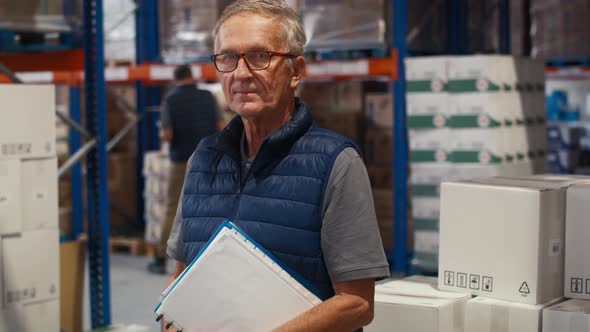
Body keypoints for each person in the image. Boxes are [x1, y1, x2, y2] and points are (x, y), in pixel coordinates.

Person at [164, 0, 390, 330]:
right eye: (227, 57)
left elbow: (357, 303)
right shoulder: (202, 160)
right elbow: (182, 276)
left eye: (259, 56)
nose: (241, 73)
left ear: (296, 70)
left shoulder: (335, 163)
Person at [147, 64, 218, 274]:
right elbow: (221, 126)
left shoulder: (171, 99)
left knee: (172, 209)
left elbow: (167, 134)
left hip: (181, 161)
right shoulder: (207, 96)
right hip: (209, 158)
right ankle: (209, 257)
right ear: (192, 77)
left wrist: (162, 134)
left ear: (176, 79)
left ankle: (160, 258)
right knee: (210, 206)